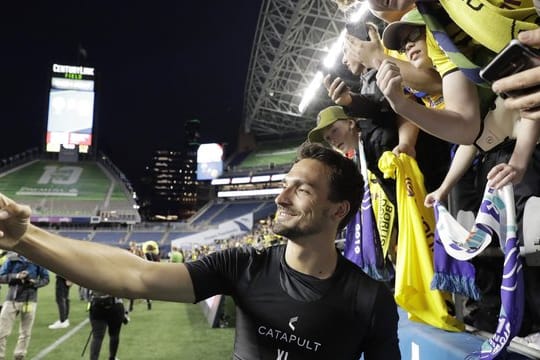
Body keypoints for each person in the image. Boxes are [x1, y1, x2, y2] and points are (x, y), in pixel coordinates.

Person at [0, 143, 400, 359]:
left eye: (303, 189)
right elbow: (135, 275)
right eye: (285, 184)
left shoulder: (369, 299)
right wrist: (25, 238)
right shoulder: (242, 264)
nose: (281, 197)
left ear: (339, 209)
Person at [0, 252, 49, 360]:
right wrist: (17, 276)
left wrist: (33, 282)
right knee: (2, 330)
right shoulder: (11, 259)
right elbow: (1, 276)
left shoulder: (37, 259)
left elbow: (46, 279)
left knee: (26, 332)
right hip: (12, 299)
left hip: (30, 300)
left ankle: (20, 355)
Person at [87, 290, 127, 360]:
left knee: (97, 337)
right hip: (115, 304)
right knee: (114, 335)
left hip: (97, 304)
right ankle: (112, 357)